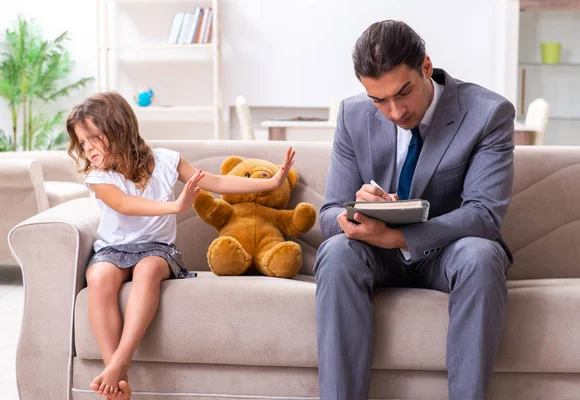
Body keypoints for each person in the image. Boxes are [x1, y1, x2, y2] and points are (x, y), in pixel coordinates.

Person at [314, 20, 515, 400]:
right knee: (337, 251)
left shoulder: (488, 114)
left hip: (448, 254)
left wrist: (399, 236)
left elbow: (484, 214)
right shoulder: (352, 115)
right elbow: (328, 215)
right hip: (377, 255)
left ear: (425, 66)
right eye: (379, 100)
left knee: (480, 255)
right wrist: (356, 213)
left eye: (402, 93)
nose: (393, 111)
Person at [66, 91, 296, 399]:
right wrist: (175, 206)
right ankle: (117, 378)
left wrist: (270, 183)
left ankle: (119, 363)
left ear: (119, 128)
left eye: (93, 138)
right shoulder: (99, 177)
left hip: (158, 249)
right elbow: (126, 204)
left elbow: (218, 182)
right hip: (112, 250)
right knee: (98, 277)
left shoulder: (165, 160)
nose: (88, 148)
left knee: (147, 270)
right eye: (82, 143)